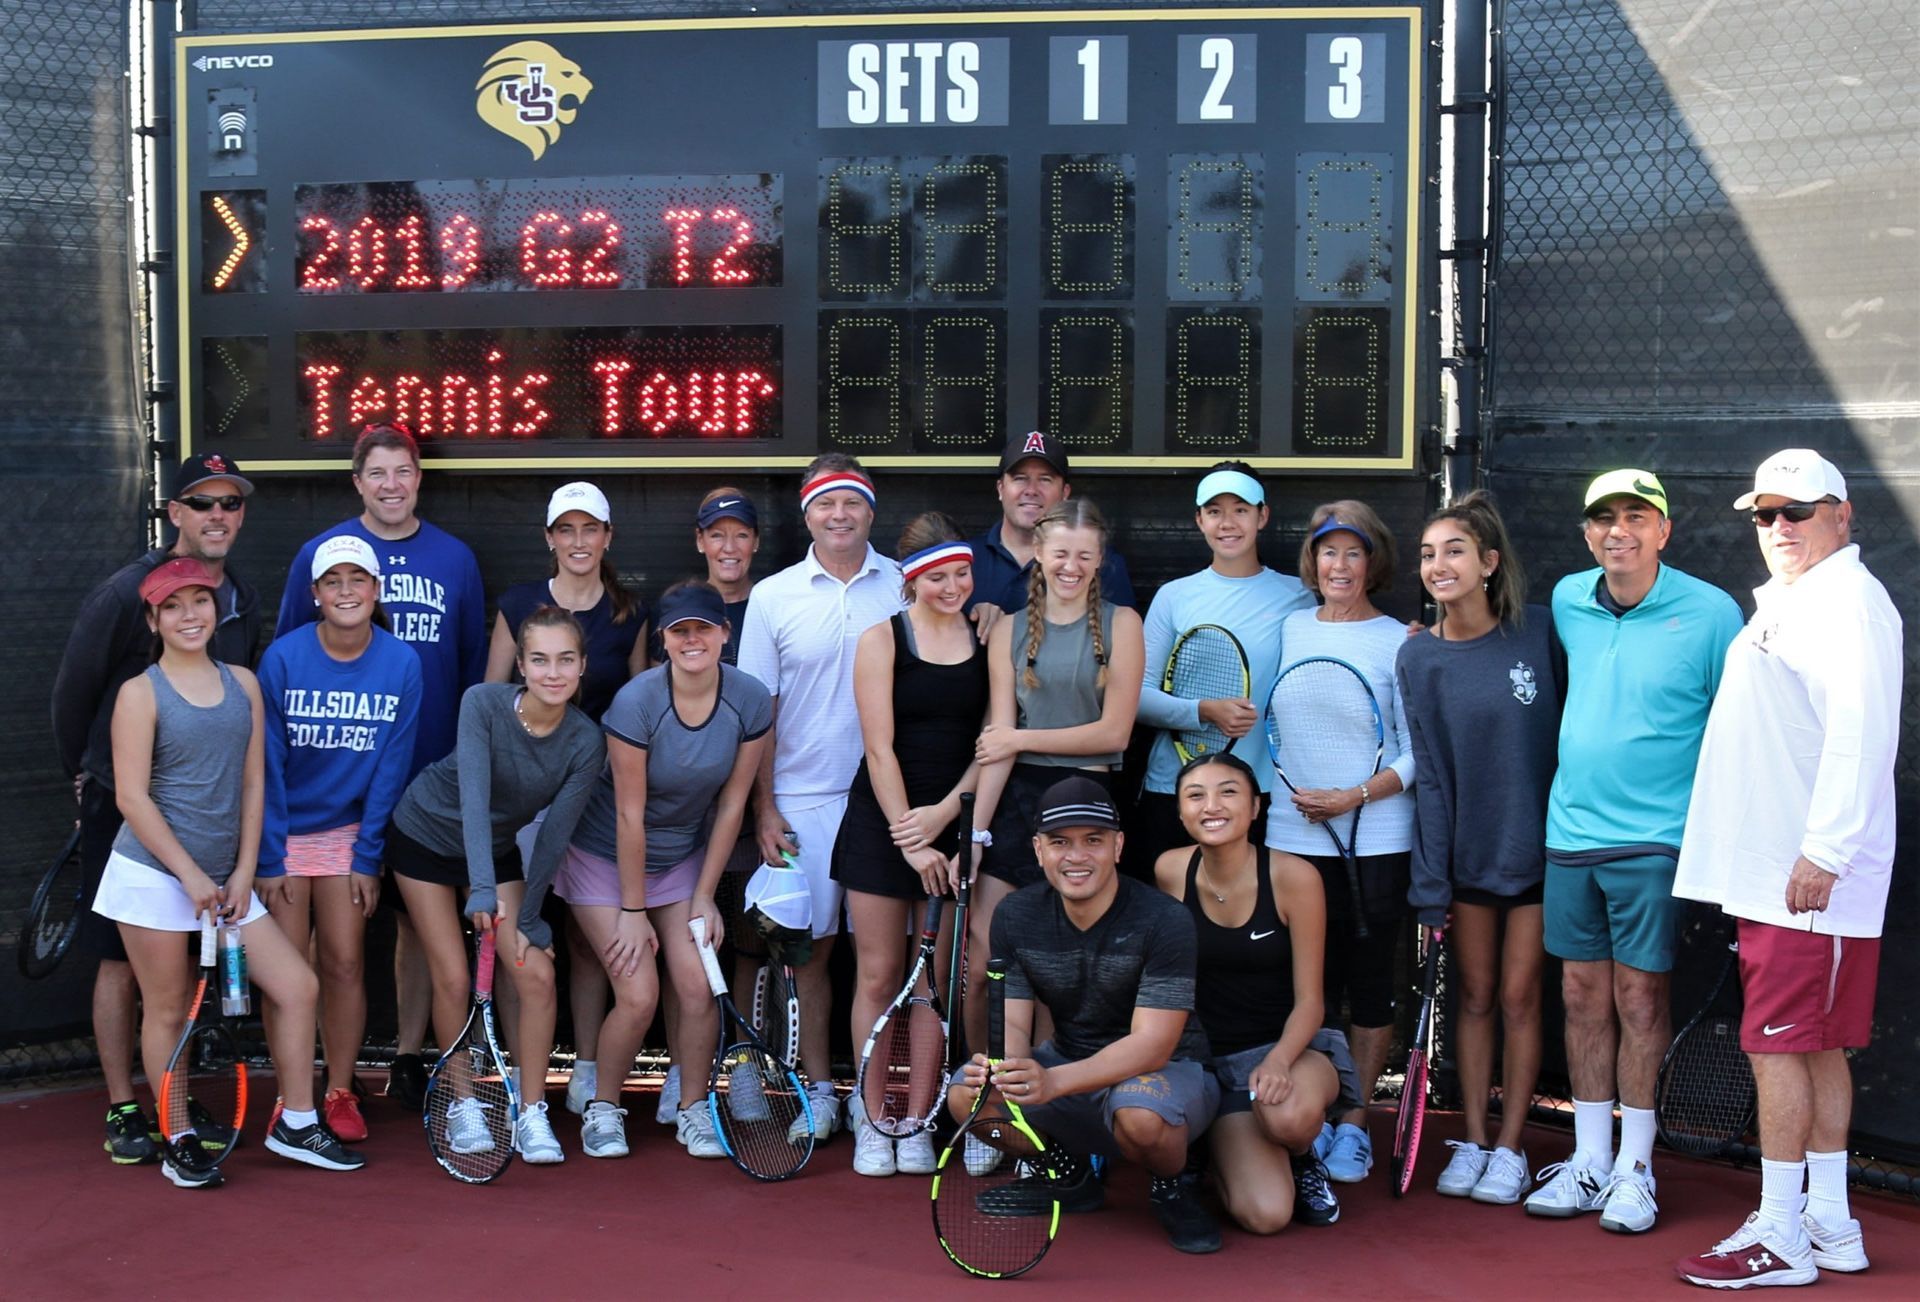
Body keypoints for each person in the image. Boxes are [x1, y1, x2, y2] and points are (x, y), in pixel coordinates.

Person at [1673, 451, 1901, 1289]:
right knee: (1815, 1050)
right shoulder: (1798, 601)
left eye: (1797, 513)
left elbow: (1862, 734)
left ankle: (1782, 1234)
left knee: (1779, 1050)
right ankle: (1832, 1224)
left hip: (1806, 878)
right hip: (1779, 874)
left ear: (1844, 515)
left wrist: (1825, 850)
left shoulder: (1849, 605)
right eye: (1764, 515)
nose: (1778, 529)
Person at [92, 557, 363, 1187]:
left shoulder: (243, 683)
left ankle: (296, 1121)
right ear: (154, 620)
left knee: (297, 987)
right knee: (168, 1011)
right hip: (154, 877)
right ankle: (178, 1137)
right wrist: (188, 875)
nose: (191, 615)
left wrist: (244, 870)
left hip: (226, 882)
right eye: (174, 606)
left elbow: (252, 780)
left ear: (217, 610)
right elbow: (133, 798)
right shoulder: (139, 694)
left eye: (200, 602)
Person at [1528, 470, 1743, 1232]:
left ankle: (1635, 1168)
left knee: (1640, 998)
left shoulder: (1713, 613)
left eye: (1634, 517)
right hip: (1569, 836)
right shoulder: (1566, 601)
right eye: (1603, 520)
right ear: (1588, 534)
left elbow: (1739, 728)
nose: (1617, 531)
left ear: (1663, 530)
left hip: (1656, 841)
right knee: (1581, 996)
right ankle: (1589, 1160)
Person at [51, 451, 264, 1165]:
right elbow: (71, 696)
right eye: (201, 503)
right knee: (120, 964)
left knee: (178, 979)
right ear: (174, 513)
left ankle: (170, 1098)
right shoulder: (123, 594)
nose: (217, 516)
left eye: (229, 504)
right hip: (127, 810)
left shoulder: (239, 597)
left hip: (200, 819)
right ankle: (123, 1104)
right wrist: (87, 781)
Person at [277, 423, 487, 1108]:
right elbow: (287, 660)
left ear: (419, 477)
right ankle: (304, 1083)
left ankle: (405, 1055)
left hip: (425, 779)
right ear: (357, 480)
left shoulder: (455, 558)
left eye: (403, 471)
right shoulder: (318, 555)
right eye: (378, 473)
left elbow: (472, 670)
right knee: (311, 942)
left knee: (414, 923)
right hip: (330, 786)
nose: (391, 484)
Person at [949, 775, 1223, 1254]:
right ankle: (1069, 1177)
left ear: (1118, 846)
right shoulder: (1015, 914)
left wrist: (1053, 1082)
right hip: (1070, 1062)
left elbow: (1153, 1044)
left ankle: (1170, 1184)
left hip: (1166, 1069)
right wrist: (1003, 1068)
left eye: (1092, 841)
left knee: (1140, 1117)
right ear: (1038, 850)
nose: (1076, 857)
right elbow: (1013, 1021)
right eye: (1060, 843)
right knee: (964, 1098)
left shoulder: (1163, 919)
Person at [385, 608, 604, 1164]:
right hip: (426, 838)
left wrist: (528, 913)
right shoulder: (482, 702)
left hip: (496, 850)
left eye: (565, 660)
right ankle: (462, 1104)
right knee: (453, 978)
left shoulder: (585, 740)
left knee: (537, 974)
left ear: (582, 666)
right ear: (522, 665)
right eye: (539, 659)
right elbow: (474, 801)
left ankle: (529, 1111)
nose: (552, 672)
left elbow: (554, 834)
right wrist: (480, 890)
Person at [561, 582, 771, 1161]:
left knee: (698, 986)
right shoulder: (636, 701)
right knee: (638, 993)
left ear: (725, 633)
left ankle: (693, 1109)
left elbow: (733, 803)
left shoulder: (751, 700)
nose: (693, 639)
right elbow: (629, 815)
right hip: (604, 855)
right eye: (680, 631)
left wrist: (705, 895)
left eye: (705, 627)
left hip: (682, 860)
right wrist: (632, 912)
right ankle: (604, 1108)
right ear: (664, 642)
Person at [1398, 491, 1562, 1206]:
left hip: (1538, 856)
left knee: (1522, 997)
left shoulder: (1543, 635)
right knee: (1475, 996)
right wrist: (1432, 882)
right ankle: (1471, 1136)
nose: (1440, 565)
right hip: (1465, 863)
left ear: (1490, 563)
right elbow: (1428, 776)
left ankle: (1512, 1147)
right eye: (1429, 554)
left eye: (1456, 550)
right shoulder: (1418, 658)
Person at [739, 455, 905, 1138]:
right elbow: (759, 713)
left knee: (884, 964)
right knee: (810, 955)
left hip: (882, 801)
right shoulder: (772, 596)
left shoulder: (903, 585)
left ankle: (889, 1098)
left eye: (853, 503)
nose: (841, 515)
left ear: (871, 510)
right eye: (826, 504)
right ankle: (817, 1090)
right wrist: (764, 807)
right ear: (807, 515)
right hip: (799, 802)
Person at [1263, 500, 1416, 1184]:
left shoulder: (1399, 641)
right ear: (1313, 561)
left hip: (1376, 838)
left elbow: (1416, 754)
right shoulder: (1290, 627)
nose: (1340, 566)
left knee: (1370, 986)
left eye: (1354, 553)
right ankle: (1304, 1119)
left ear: (1373, 563)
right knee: (1298, 988)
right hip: (1290, 838)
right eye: (1329, 552)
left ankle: (1353, 1125)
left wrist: (1355, 795)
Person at [483, 481, 647, 1119]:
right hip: (523, 795)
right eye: (566, 530)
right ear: (550, 538)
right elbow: (491, 695)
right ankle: (516, 1074)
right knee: (518, 939)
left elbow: (636, 706)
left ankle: (582, 1070)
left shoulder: (628, 611)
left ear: (607, 538)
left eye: (591, 530)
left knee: (583, 941)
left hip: (598, 795)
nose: (579, 542)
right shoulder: (520, 603)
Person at [833, 513, 989, 1178]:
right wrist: (910, 836)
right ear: (912, 580)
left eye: (961, 574)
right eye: (937, 577)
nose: (952, 586)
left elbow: (992, 741)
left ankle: (917, 1116)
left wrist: (946, 820)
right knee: (876, 976)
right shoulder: (880, 638)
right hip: (882, 824)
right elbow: (878, 747)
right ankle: (875, 1119)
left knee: (930, 985)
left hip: (953, 826)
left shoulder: (991, 635)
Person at [258, 535, 422, 1144]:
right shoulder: (281, 658)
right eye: (334, 582)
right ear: (316, 594)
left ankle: (339, 1088)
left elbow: (390, 770)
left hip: (348, 834)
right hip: (284, 833)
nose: (347, 591)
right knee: (287, 971)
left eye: (359, 579)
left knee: (346, 963)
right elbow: (266, 767)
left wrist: (367, 855)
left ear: (377, 591)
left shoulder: (402, 662)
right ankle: (290, 1096)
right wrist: (270, 854)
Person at [970, 497, 1144, 1056]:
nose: (1071, 566)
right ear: (1038, 554)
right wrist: (975, 836)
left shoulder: (1124, 624)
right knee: (983, 956)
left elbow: (1114, 734)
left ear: (1099, 561)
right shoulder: (1009, 631)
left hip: (1085, 799)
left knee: (1059, 966)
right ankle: (985, 1096)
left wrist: (1019, 739)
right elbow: (997, 743)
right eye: (1061, 553)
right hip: (1017, 799)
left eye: (1084, 556)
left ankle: (1049, 1100)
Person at [1154, 753, 1352, 1232]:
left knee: (1285, 1118)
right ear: (1180, 811)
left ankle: (1303, 1158)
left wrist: (1280, 1060)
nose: (1212, 806)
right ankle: (1214, 1149)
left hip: (1288, 1053)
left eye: (1228, 792)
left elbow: (1311, 1000)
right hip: (1210, 1065)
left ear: (1256, 807)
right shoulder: (1169, 871)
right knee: (1265, 1216)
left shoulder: (1294, 878)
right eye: (1195, 795)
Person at [648, 487, 765, 1127]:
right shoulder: (677, 612)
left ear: (754, 543)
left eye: (740, 534)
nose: (728, 546)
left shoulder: (771, 604)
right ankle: (681, 1070)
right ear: (700, 541)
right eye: (716, 534)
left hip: (748, 811)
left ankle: (742, 1068)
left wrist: (763, 805)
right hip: (686, 819)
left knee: (745, 944)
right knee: (690, 950)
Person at [1132, 463, 1313, 872]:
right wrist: (1203, 712)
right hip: (1177, 790)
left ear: (1262, 516)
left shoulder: (1300, 597)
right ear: (1199, 520)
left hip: (1262, 792)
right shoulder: (1173, 597)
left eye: (1241, 510)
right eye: (1214, 511)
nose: (1227, 523)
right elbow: (1136, 698)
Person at [964, 430, 1136, 640]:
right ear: (1001, 488)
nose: (1031, 490)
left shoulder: (1100, 563)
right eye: (1020, 478)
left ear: (1065, 492)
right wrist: (967, 617)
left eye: (1045, 479)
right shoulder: (964, 559)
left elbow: (1121, 644)